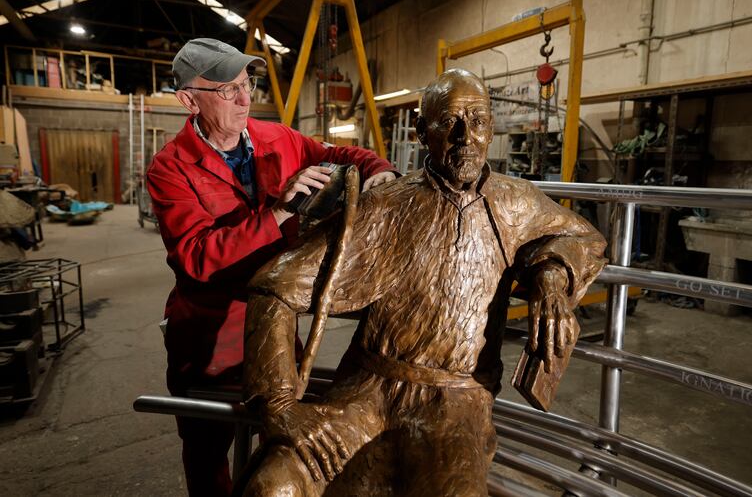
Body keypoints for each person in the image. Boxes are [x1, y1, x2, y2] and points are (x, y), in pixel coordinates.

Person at [242, 68, 607, 496]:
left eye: (477, 121)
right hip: (366, 391)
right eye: (449, 121)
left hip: (456, 402)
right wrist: (281, 407)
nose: (464, 136)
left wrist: (551, 274)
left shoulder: (516, 202)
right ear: (421, 132)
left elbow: (582, 238)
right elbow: (274, 288)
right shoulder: (386, 205)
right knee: (275, 487)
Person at [146, 38, 396, 496]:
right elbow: (197, 257)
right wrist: (278, 213)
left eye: (247, 84)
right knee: (207, 456)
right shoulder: (170, 168)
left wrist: (378, 169)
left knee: (284, 448)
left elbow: (341, 156)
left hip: (275, 328)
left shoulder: (276, 138)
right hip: (210, 339)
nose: (245, 100)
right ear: (188, 99)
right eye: (227, 90)